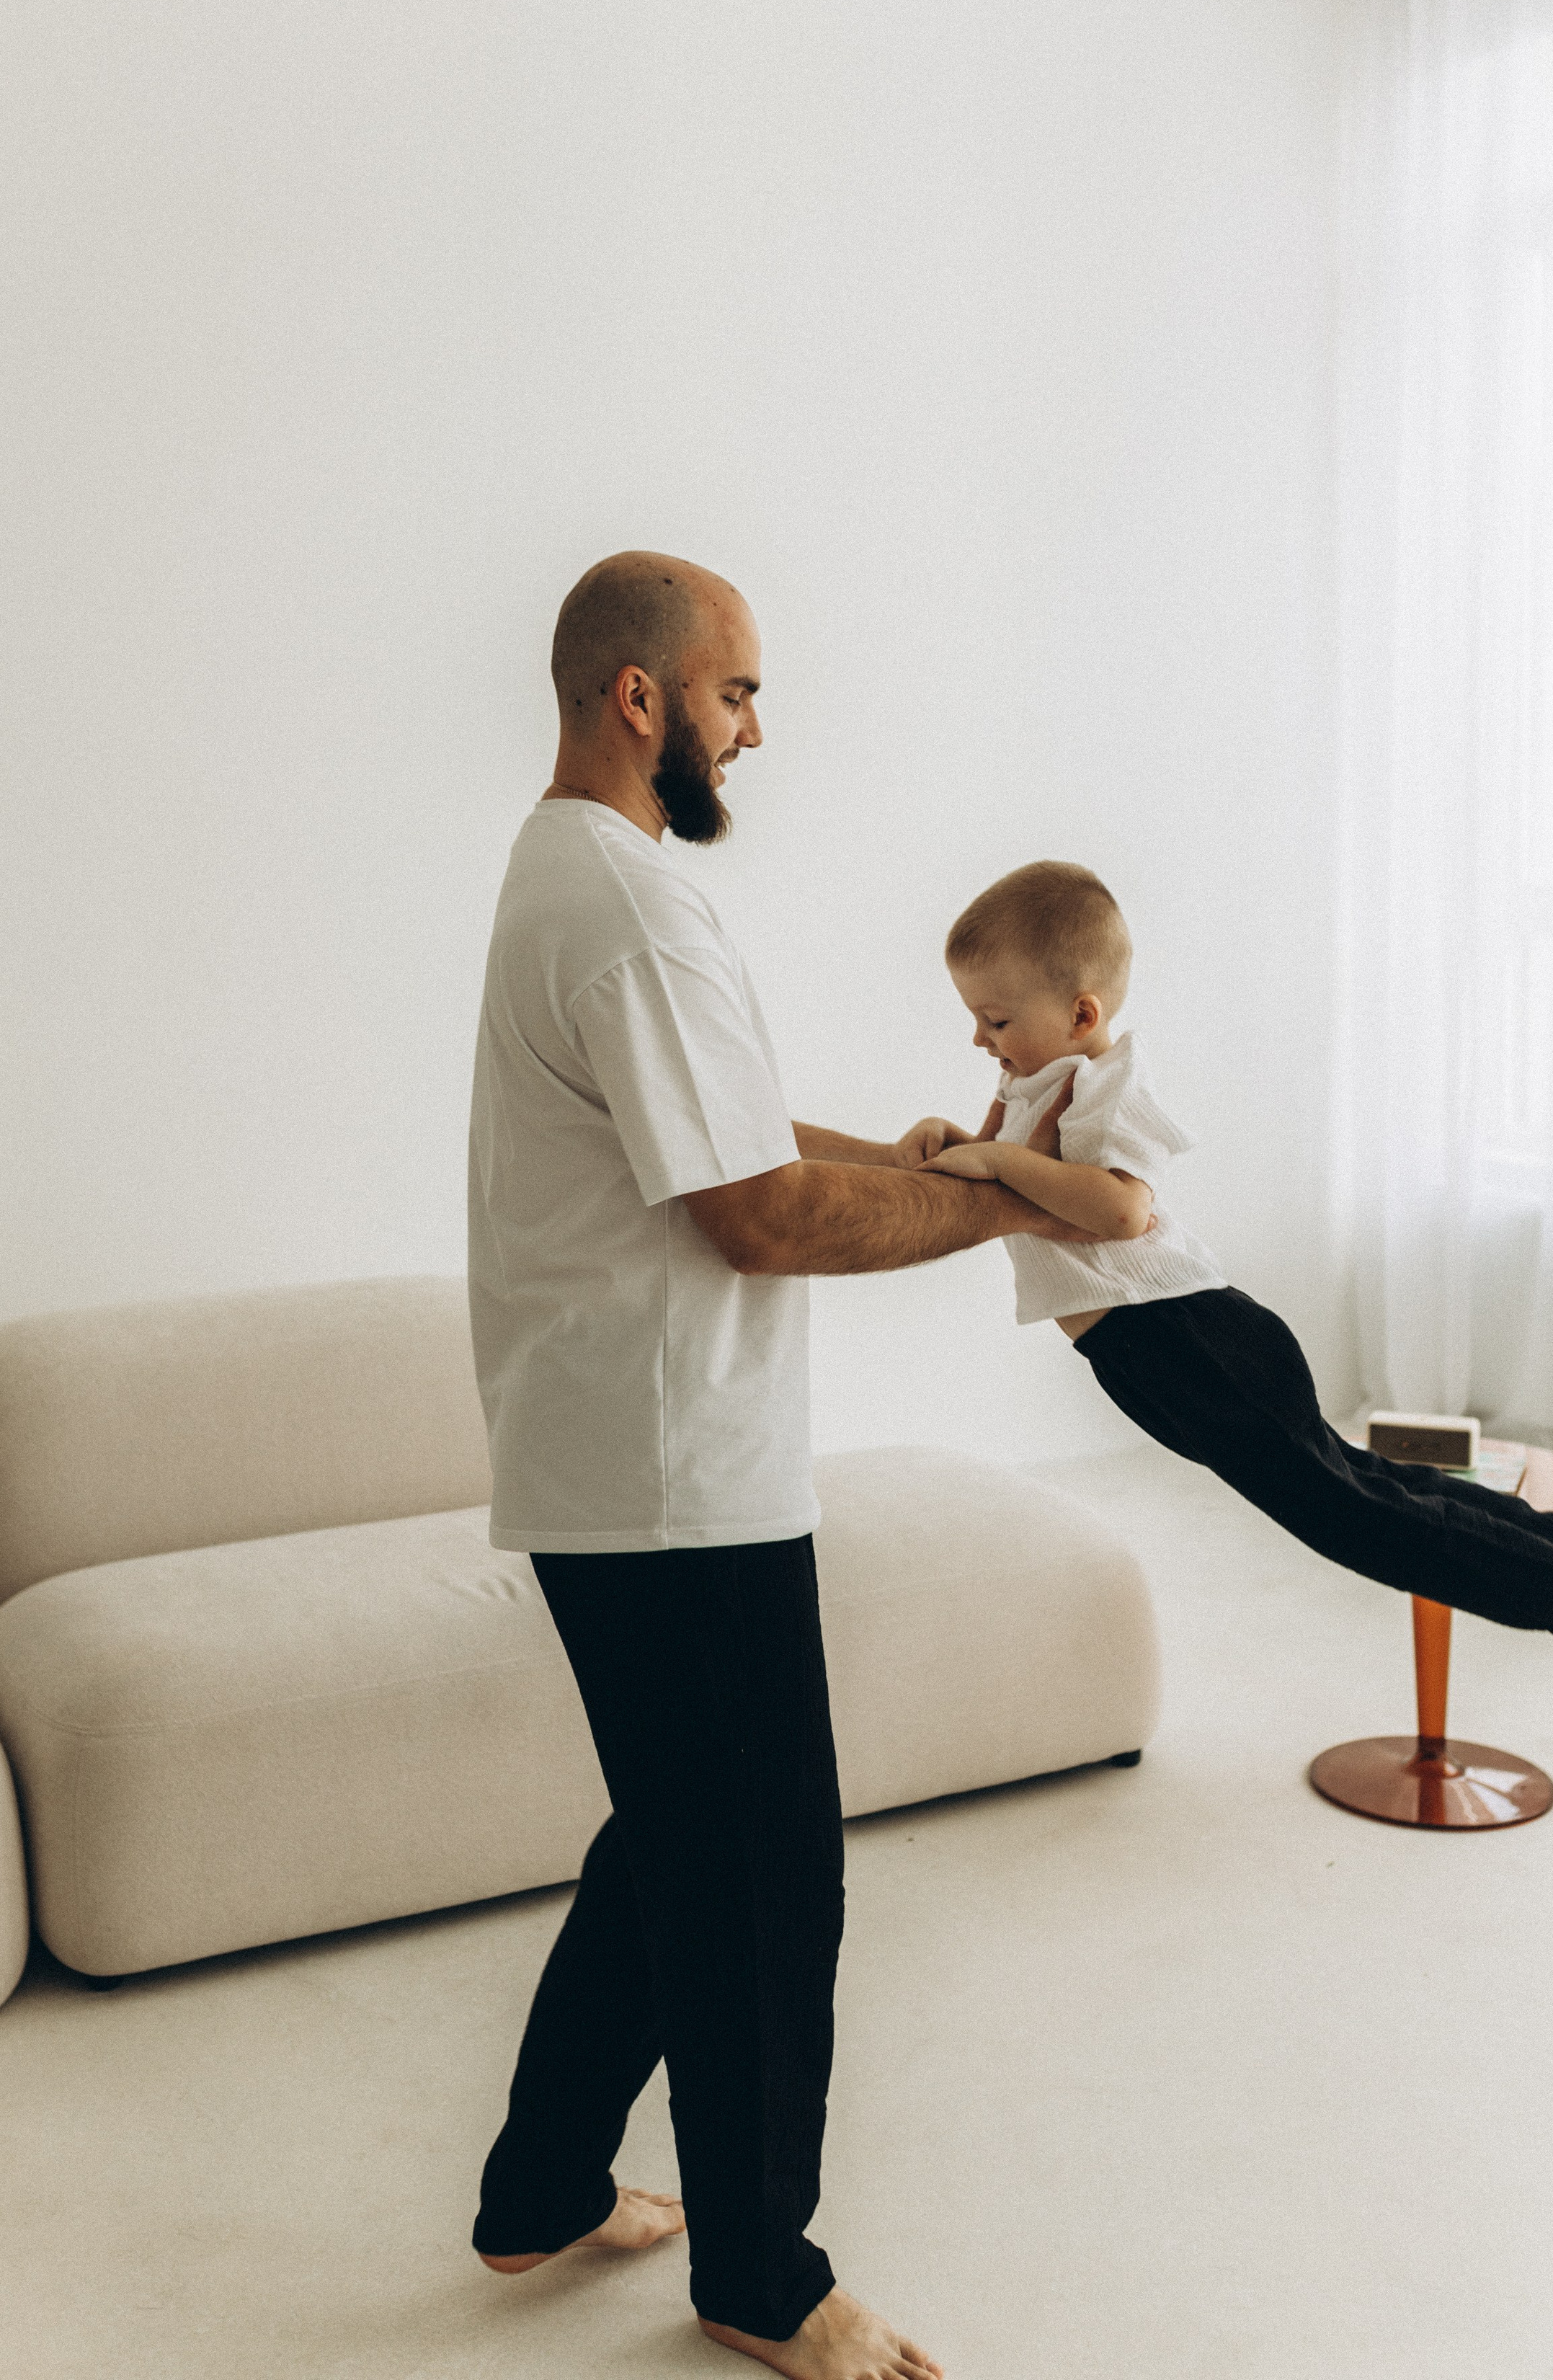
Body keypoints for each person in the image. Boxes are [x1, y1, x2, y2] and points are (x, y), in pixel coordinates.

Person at [466, 554, 1091, 2380]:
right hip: (672, 1473)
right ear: (641, 696)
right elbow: (754, 1210)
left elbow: (730, 1131)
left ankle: (538, 2189)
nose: (756, 726)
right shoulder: (627, 910)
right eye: (738, 690)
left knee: (671, 1836)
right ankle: (758, 2268)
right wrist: (998, 1215)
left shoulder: (574, 874)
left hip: (632, 1453)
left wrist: (961, 1170)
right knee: (759, 1867)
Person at [920, 858, 1553, 1708]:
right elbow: (1018, 1182)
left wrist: (994, 1156)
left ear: (1082, 1014)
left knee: (1346, 1514)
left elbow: (1119, 1211)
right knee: (1355, 1479)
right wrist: (958, 1142)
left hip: (1183, 1332)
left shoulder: (1110, 1085)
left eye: (993, 1019)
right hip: (1144, 1348)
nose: (978, 1039)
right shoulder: (1033, 1076)